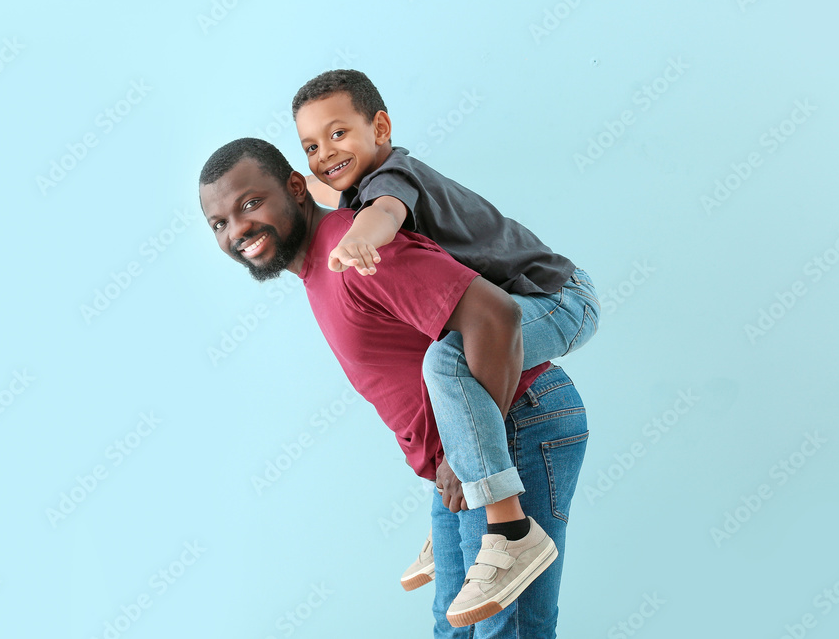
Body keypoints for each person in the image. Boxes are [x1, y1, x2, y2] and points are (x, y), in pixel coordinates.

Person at [198, 138, 590, 635]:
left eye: (250, 204)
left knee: (503, 629)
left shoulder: (356, 250)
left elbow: (496, 317)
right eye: (219, 223)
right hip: (465, 444)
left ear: (294, 188)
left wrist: (458, 458)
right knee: (457, 627)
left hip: (518, 419)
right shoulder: (321, 260)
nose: (238, 230)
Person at [291, 70, 600, 618]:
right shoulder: (351, 185)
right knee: (448, 365)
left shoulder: (392, 177)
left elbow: (385, 213)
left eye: (337, 135)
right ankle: (461, 523)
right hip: (534, 301)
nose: (323, 154)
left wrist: (362, 234)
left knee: (447, 359)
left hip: (560, 298)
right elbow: (312, 187)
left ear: (381, 127)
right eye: (311, 146)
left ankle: (508, 530)